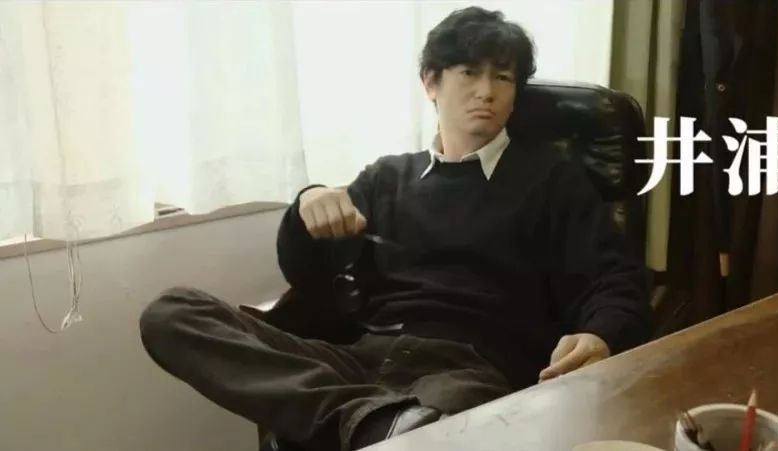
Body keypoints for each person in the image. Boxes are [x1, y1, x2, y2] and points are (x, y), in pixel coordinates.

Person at [139, 6, 653, 451]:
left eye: (503, 77)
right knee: (172, 314)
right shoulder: (387, 178)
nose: (486, 91)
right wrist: (306, 208)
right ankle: (376, 422)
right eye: (468, 73)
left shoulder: (551, 181)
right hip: (363, 357)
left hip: (469, 369)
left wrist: (600, 335)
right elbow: (311, 278)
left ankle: (376, 422)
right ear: (431, 83)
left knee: (449, 428)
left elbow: (614, 279)